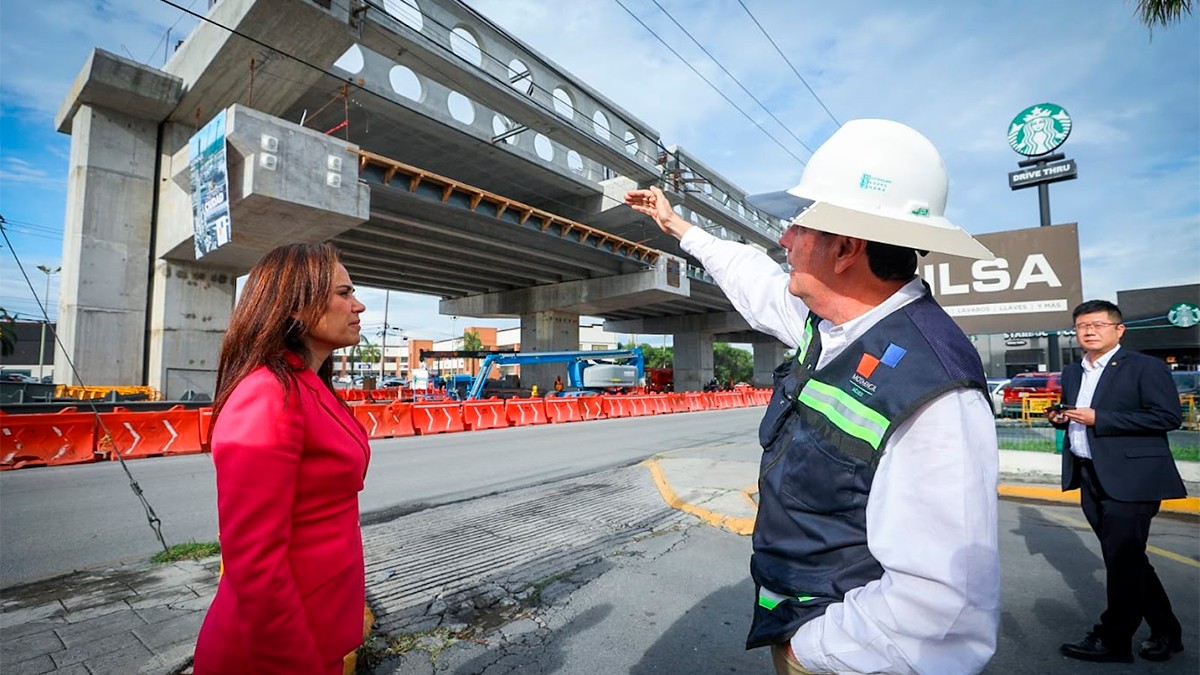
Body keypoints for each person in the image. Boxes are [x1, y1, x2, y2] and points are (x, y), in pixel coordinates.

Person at [626, 119, 1000, 674]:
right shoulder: (825, 324)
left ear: (846, 247)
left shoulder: (934, 390)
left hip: (849, 655)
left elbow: (944, 611)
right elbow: (749, 274)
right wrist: (677, 224)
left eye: (798, 227)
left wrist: (809, 649)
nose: (783, 240)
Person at [194, 242, 371, 675]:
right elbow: (255, 563)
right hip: (278, 653)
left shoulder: (307, 386)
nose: (359, 305)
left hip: (321, 633)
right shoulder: (268, 396)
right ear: (294, 308)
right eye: (344, 293)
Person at [1050, 300, 1186, 663]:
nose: (1089, 331)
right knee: (1129, 561)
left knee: (1124, 560)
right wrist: (1062, 417)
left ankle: (1113, 638)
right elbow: (1078, 412)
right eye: (1081, 326)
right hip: (1090, 474)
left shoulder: (1144, 367)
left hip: (1132, 478)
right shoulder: (1073, 372)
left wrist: (1101, 418)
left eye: (1097, 324)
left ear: (1118, 330)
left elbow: (1168, 416)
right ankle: (1167, 631)